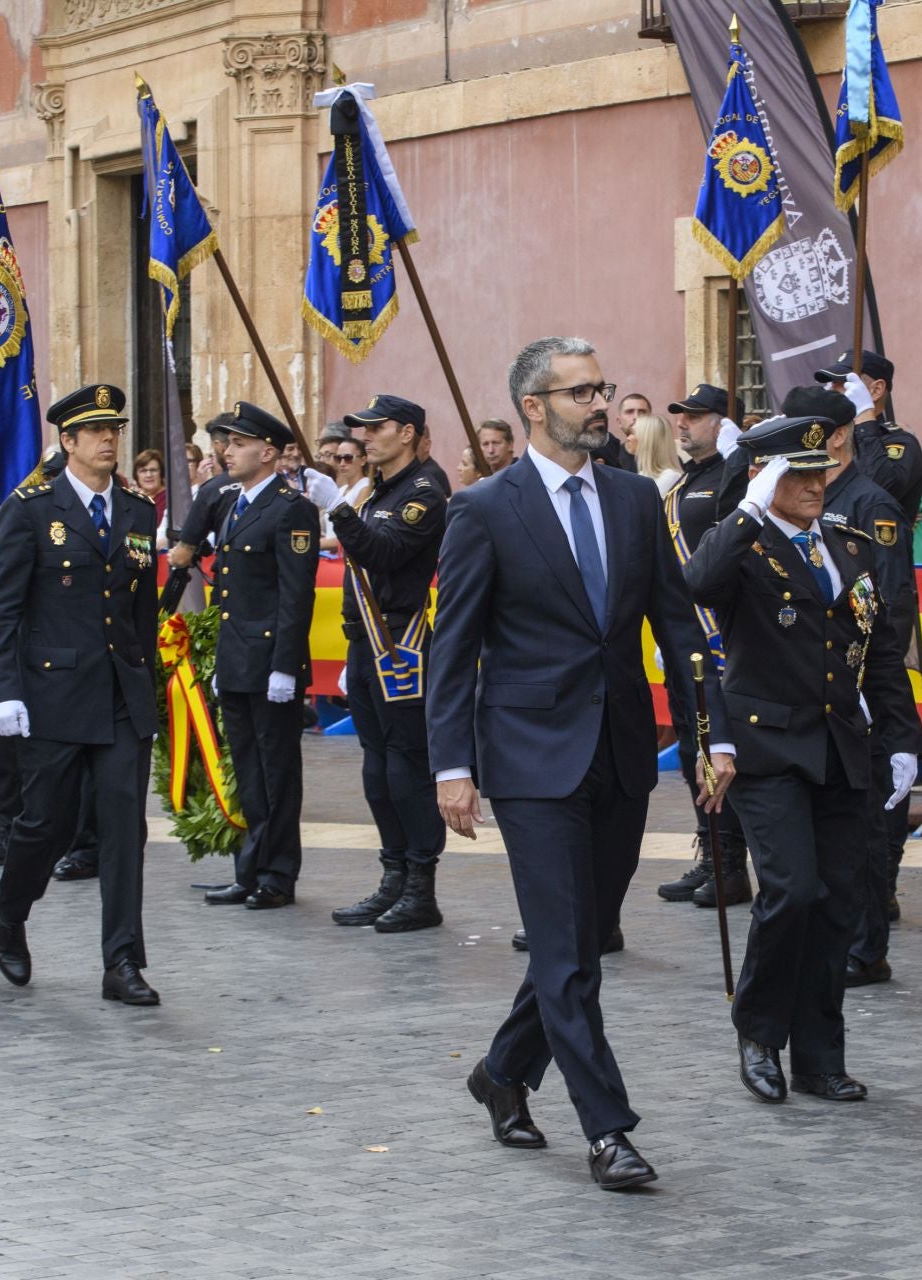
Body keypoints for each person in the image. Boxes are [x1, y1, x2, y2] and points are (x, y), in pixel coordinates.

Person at [432, 336, 730, 1192]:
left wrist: (715, 739)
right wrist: (452, 765)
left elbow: (676, 626)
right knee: (565, 954)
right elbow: (454, 652)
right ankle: (609, 1130)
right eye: (579, 393)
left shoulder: (638, 500)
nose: (599, 405)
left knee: (579, 946)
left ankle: (501, 1073)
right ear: (535, 407)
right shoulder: (485, 509)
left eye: (602, 388)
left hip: (621, 754)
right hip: (528, 761)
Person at [688, 413, 920, 1104]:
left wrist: (903, 740)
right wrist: (751, 506)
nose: (815, 484)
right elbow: (699, 583)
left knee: (837, 901)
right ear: (767, 477)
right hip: (767, 746)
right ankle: (759, 1031)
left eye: (819, 470)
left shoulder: (850, 547)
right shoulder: (742, 545)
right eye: (798, 473)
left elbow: (879, 651)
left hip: (841, 744)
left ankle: (819, 1054)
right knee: (791, 889)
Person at [0, 383, 163, 1005]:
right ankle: (10, 911)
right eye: (96, 431)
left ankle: (122, 962)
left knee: (122, 830)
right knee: (43, 825)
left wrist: (150, 689)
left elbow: (139, 611)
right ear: (68, 441)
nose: (110, 439)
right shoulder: (30, 508)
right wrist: (3, 691)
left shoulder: (138, 511)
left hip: (119, 697)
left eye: (115, 428)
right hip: (53, 696)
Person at [801, 383, 918, 977]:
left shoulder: (869, 504)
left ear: (839, 435)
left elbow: (889, 606)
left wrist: (886, 708)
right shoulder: (802, 502)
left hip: (861, 690)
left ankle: (866, 947)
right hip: (815, 694)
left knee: (869, 828)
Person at [185, 404, 322, 910]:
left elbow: (295, 594)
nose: (227, 451)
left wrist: (285, 666)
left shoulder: (291, 508)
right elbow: (228, 596)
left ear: (267, 452)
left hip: (270, 665)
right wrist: (224, 661)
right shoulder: (236, 504)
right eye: (227, 443)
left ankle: (278, 874)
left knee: (277, 771)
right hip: (239, 659)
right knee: (248, 769)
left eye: (238, 444)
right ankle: (252, 867)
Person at [325, 395, 451, 931]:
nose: (364, 438)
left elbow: (384, 552)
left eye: (375, 429)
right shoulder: (381, 488)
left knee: (406, 765)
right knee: (376, 766)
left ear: (407, 432)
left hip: (401, 641)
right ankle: (393, 875)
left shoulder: (425, 490)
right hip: (365, 640)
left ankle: (421, 886)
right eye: (362, 429)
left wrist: (340, 511)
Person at [652, 381, 750, 911]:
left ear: (721, 423)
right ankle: (711, 854)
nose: (683, 423)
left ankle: (732, 866)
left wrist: (738, 460)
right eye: (680, 416)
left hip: (722, 641)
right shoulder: (678, 485)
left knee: (719, 748)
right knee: (692, 748)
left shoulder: (729, 476)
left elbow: (735, 532)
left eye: (695, 416)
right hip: (684, 640)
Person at [815, 351, 922, 527]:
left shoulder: (902, 442)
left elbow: (877, 486)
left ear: (876, 389)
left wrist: (864, 415)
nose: (832, 389)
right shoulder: (831, 441)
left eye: (843, 383)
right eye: (830, 384)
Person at [319, 436, 371, 551]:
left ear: (363, 460)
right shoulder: (341, 490)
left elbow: (354, 533)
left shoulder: (365, 487)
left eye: (348, 458)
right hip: (330, 557)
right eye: (338, 458)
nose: (342, 463)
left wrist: (314, 544)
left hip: (348, 559)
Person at [631, 411, 680, 492]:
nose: (629, 438)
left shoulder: (670, 477)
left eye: (633, 433)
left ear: (647, 440)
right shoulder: (643, 473)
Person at [132, 448, 167, 526]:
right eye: (143, 471)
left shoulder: (170, 499)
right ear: (136, 475)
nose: (149, 475)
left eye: (153, 470)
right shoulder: (132, 499)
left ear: (161, 473)